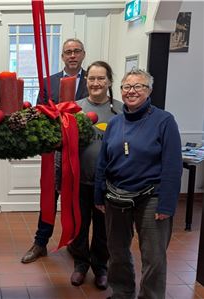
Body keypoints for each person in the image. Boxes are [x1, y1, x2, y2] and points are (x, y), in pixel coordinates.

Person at [94, 69, 182, 299]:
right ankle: (122, 292)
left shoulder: (164, 121)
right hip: (115, 198)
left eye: (138, 86)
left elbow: (172, 165)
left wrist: (167, 205)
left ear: (149, 90)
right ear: (120, 90)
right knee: (117, 251)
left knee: (153, 257)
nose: (131, 91)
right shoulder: (114, 123)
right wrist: (98, 195)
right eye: (126, 87)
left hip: (151, 198)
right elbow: (103, 162)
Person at [21, 38, 88, 264]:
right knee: (49, 198)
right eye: (68, 52)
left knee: (77, 201)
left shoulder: (94, 80)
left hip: (81, 153)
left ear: (83, 54)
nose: (72, 55)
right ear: (62, 56)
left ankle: (77, 247)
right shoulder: (49, 82)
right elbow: (39, 113)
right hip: (54, 152)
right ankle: (41, 242)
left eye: (76, 51)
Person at [67, 61, 123, 289]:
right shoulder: (74, 108)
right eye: (91, 78)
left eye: (101, 78)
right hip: (79, 180)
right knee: (79, 226)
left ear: (109, 81)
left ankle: (101, 267)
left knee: (103, 228)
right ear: (86, 80)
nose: (96, 83)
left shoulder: (121, 110)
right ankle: (81, 265)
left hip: (108, 183)